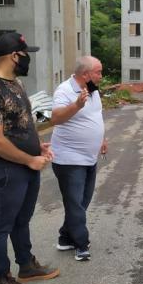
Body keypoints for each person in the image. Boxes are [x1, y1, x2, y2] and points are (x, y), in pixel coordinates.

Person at [0, 32, 60, 284]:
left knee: (22, 219)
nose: (27, 59)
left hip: (25, 167)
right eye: (25, 54)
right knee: (0, 225)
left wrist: (38, 146)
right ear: (14, 56)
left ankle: (27, 265)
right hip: (4, 171)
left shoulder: (15, 84)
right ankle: (2, 278)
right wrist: (29, 159)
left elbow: (23, 123)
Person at [50, 56, 107, 262]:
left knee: (82, 201)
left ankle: (65, 237)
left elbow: (96, 115)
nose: (101, 76)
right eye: (98, 72)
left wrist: (102, 138)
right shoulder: (64, 90)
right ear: (86, 74)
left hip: (89, 157)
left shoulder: (92, 88)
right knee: (75, 203)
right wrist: (76, 105)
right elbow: (55, 118)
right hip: (69, 159)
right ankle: (81, 244)